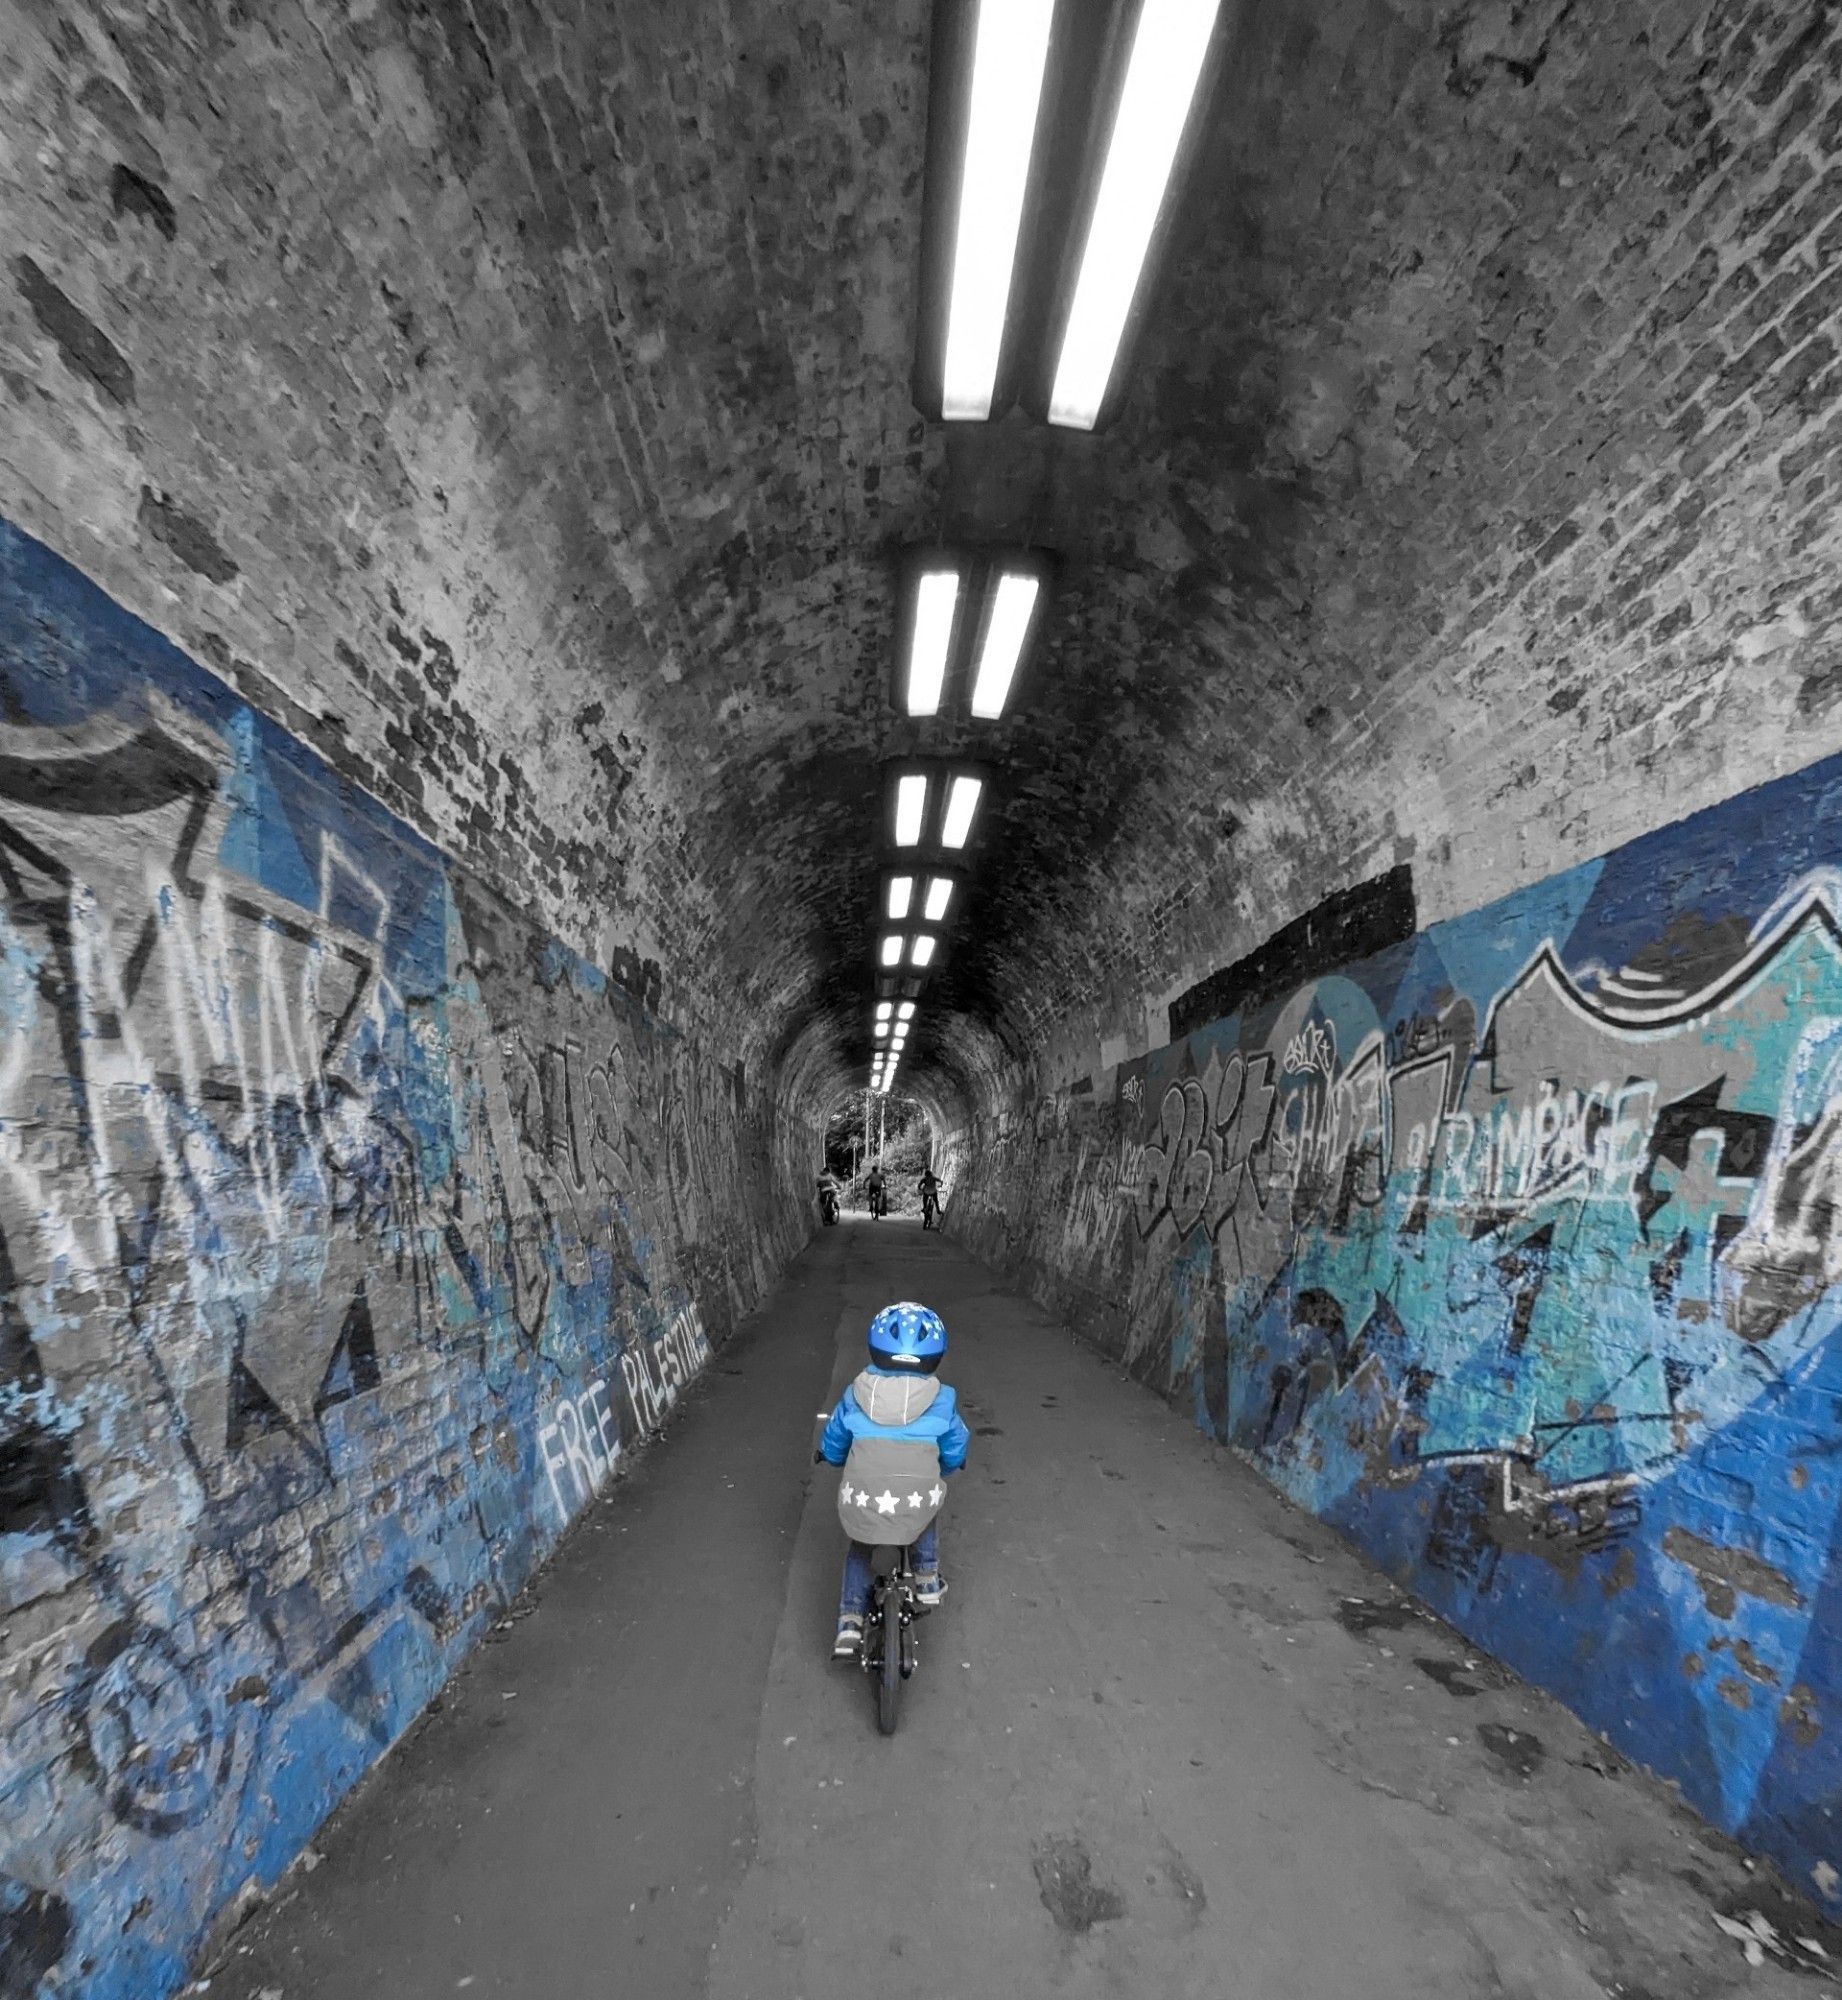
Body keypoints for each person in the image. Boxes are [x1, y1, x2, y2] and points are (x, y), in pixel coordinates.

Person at [816, 1301, 970, 1659]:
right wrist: (950, 1465)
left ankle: (849, 1621)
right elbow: (955, 1444)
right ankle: (927, 1577)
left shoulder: (856, 1393)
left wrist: (830, 1455)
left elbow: (836, 1437)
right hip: (914, 1496)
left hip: (863, 1497)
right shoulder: (942, 1399)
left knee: (860, 1544)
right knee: (927, 1499)